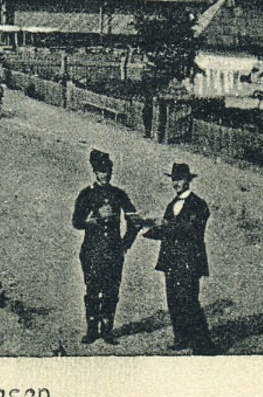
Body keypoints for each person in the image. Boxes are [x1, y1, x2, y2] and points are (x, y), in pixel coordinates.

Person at [141, 162, 214, 354]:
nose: (176, 183)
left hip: (189, 260)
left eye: (180, 179)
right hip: (171, 261)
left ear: (188, 180)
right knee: (173, 301)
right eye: (174, 179)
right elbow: (165, 232)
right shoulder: (171, 205)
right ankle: (181, 338)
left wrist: (166, 224)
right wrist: (145, 228)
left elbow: (191, 230)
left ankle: (202, 344)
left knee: (189, 301)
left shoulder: (199, 205)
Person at [71, 149, 138, 345]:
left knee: (111, 290)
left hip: (113, 251)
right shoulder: (86, 194)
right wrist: (92, 220)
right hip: (92, 251)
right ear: (95, 172)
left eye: (108, 170)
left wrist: (126, 243)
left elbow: (134, 219)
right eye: (101, 171)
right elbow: (76, 222)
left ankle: (107, 330)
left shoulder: (119, 194)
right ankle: (92, 330)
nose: (105, 174)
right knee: (92, 289)